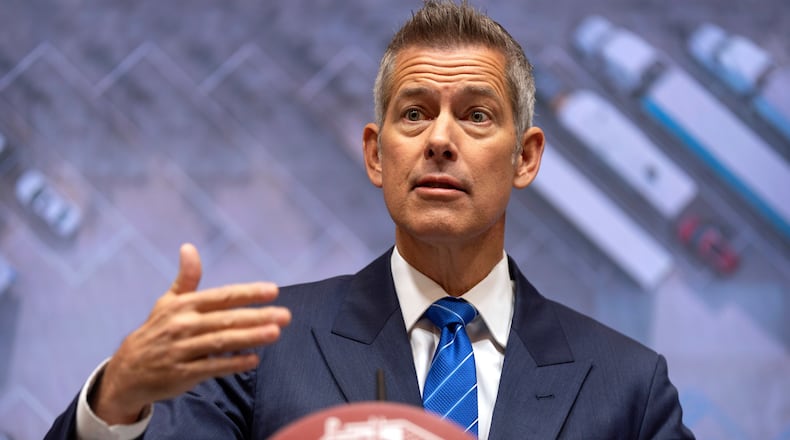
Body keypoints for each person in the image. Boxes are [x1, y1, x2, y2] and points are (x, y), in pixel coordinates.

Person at [46, 1, 694, 439]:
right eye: (413, 113)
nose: (440, 139)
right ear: (375, 154)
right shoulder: (262, 351)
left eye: (476, 115)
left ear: (525, 157)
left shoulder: (629, 389)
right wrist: (116, 400)